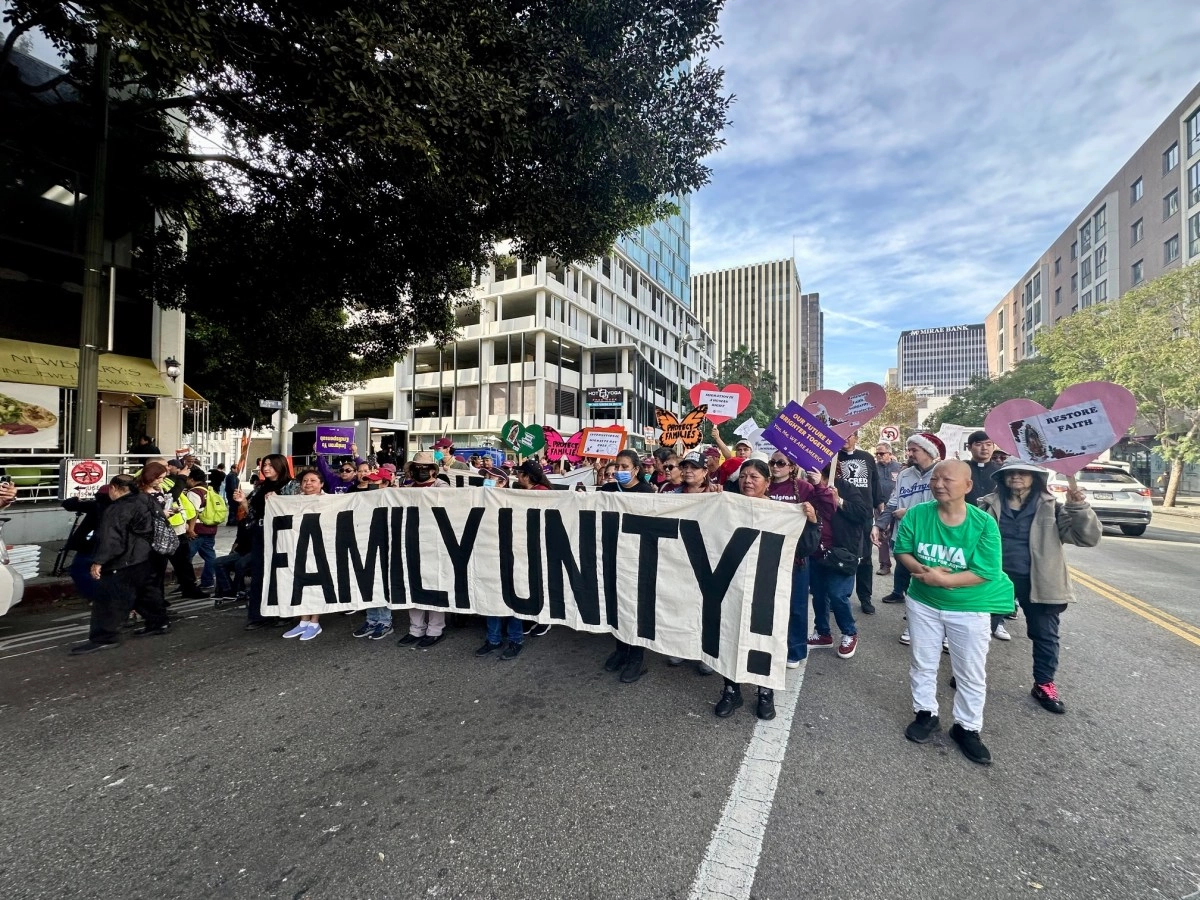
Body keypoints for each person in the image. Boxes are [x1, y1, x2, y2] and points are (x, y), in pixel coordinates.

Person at [893, 460, 1015, 766]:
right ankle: (925, 713)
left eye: (947, 479)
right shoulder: (918, 514)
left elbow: (986, 571)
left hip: (970, 608)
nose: (939, 484)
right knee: (923, 662)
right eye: (935, 479)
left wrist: (945, 580)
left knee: (970, 672)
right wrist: (922, 571)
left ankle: (967, 727)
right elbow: (902, 549)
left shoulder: (983, 524)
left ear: (968, 486)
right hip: (923, 602)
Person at [978, 460, 1100, 714]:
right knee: (978, 631)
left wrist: (1079, 506)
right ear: (1002, 478)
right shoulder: (986, 504)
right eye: (1010, 473)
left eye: (1023, 473)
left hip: (1040, 580)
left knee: (1044, 635)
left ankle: (1044, 684)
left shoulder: (1052, 507)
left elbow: (1086, 538)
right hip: (994, 580)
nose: (1017, 477)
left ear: (1036, 478)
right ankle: (971, 676)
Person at [712, 458, 810, 720]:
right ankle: (731, 690)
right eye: (744, 476)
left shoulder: (782, 511)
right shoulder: (727, 505)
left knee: (765, 638)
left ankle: (765, 692)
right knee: (729, 634)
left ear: (768, 482)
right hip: (731, 583)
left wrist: (810, 523)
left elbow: (804, 548)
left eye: (755, 476)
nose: (747, 481)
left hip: (766, 586)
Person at [69, 473, 170, 654]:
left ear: (114, 488)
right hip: (149, 554)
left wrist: (99, 561)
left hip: (126, 558)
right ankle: (159, 622)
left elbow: (111, 538)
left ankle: (104, 637)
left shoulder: (117, 508)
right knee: (145, 590)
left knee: (108, 597)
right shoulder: (146, 499)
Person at [766, 451, 835, 668]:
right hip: (767, 553)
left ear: (791, 467)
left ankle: (795, 650)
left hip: (795, 557)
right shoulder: (763, 485)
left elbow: (829, 510)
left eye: (781, 463)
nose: (776, 466)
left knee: (796, 605)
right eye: (772, 462)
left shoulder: (804, 488)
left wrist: (820, 486)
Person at [875, 434, 945, 645]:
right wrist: (879, 524)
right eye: (909, 450)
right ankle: (913, 624)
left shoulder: (941, 473)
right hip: (903, 537)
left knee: (930, 582)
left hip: (931, 538)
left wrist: (910, 512)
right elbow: (893, 502)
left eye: (915, 450)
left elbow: (944, 504)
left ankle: (943, 630)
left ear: (929, 452)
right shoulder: (905, 474)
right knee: (909, 584)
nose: (910, 454)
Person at [598, 449, 659, 682]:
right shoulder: (608, 490)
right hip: (614, 554)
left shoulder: (645, 491)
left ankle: (637, 658)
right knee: (618, 604)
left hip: (637, 557)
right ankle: (621, 650)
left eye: (625, 467)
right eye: (618, 466)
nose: (620, 471)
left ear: (636, 469)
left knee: (636, 608)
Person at [806, 462, 871, 659]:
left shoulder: (845, 487)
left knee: (837, 594)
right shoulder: (807, 488)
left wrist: (839, 500)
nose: (809, 474)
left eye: (813, 472)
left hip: (841, 553)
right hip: (817, 551)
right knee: (818, 594)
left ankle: (849, 633)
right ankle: (823, 633)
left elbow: (863, 514)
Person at [392, 451, 449, 647]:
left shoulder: (443, 487)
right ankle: (415, 629)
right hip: (411, 543)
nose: (421, 471)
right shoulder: (406, 490)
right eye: (417, 468)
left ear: (433, 470)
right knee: (412, 586)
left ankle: (435, 629)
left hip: (435, 543)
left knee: (434, 586)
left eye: (425, 468)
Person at [232, 454, 293, 630]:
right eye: (264, 465)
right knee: (259, 574)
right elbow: (251, 513)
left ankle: (285, 612)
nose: (266, 468)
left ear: (280, 466)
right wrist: (243, 501)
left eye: (270, 465)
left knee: (282, 573)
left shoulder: (291, 485)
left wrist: (280, 500)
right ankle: (258, 615)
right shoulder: (260, 487)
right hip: (260, 534)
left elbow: (298, 508)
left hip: (282, 535)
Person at [834, 431, 883, 616]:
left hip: (864, 515)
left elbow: (875, 483)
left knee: (865, 557)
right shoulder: (832, 458)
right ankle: (840, 595)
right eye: (842, 436)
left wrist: (879, 505)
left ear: (856, 438)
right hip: (842, 514)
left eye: (849, 435)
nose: (845, 439)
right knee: (841, 555)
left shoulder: (867, 457)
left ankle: (865, 597)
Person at [281, 469, 329, 641]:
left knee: (315, 585)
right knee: (300, 582)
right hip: (299, 547)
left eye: (313, 480)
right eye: (305, 481)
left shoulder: (331, 501)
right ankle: (303, 621)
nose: (308, 483)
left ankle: (315, 622)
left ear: (321, 483)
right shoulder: (294, 501)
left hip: (320, 548)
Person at [61, 487, 115, 601]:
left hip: (89, 545)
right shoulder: (121, 507)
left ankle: (98, 596)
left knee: (79, 570)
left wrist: (76, 499)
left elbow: (68, 504)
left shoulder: (94, 505)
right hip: (106, 546)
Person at [184, 467, 219, 593]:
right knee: (210, 556)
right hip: (210, 528)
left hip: (197, 529)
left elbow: (193, 511)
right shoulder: (209, 490)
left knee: (186, 557)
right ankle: (208, 581)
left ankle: (188, 583)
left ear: (192, 479)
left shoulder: (194, 492)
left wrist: (190, 529)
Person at [873, 442, 902, 576]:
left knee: (898, 535)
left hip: (898, 507)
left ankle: (902, 565)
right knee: (882, 535)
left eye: (882, 453)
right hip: (880, 506)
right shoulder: (873, 468)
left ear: (889, 454)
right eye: (877, 453)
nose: (879, 456)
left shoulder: (900, 468)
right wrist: (879, 504)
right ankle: (884, 564)